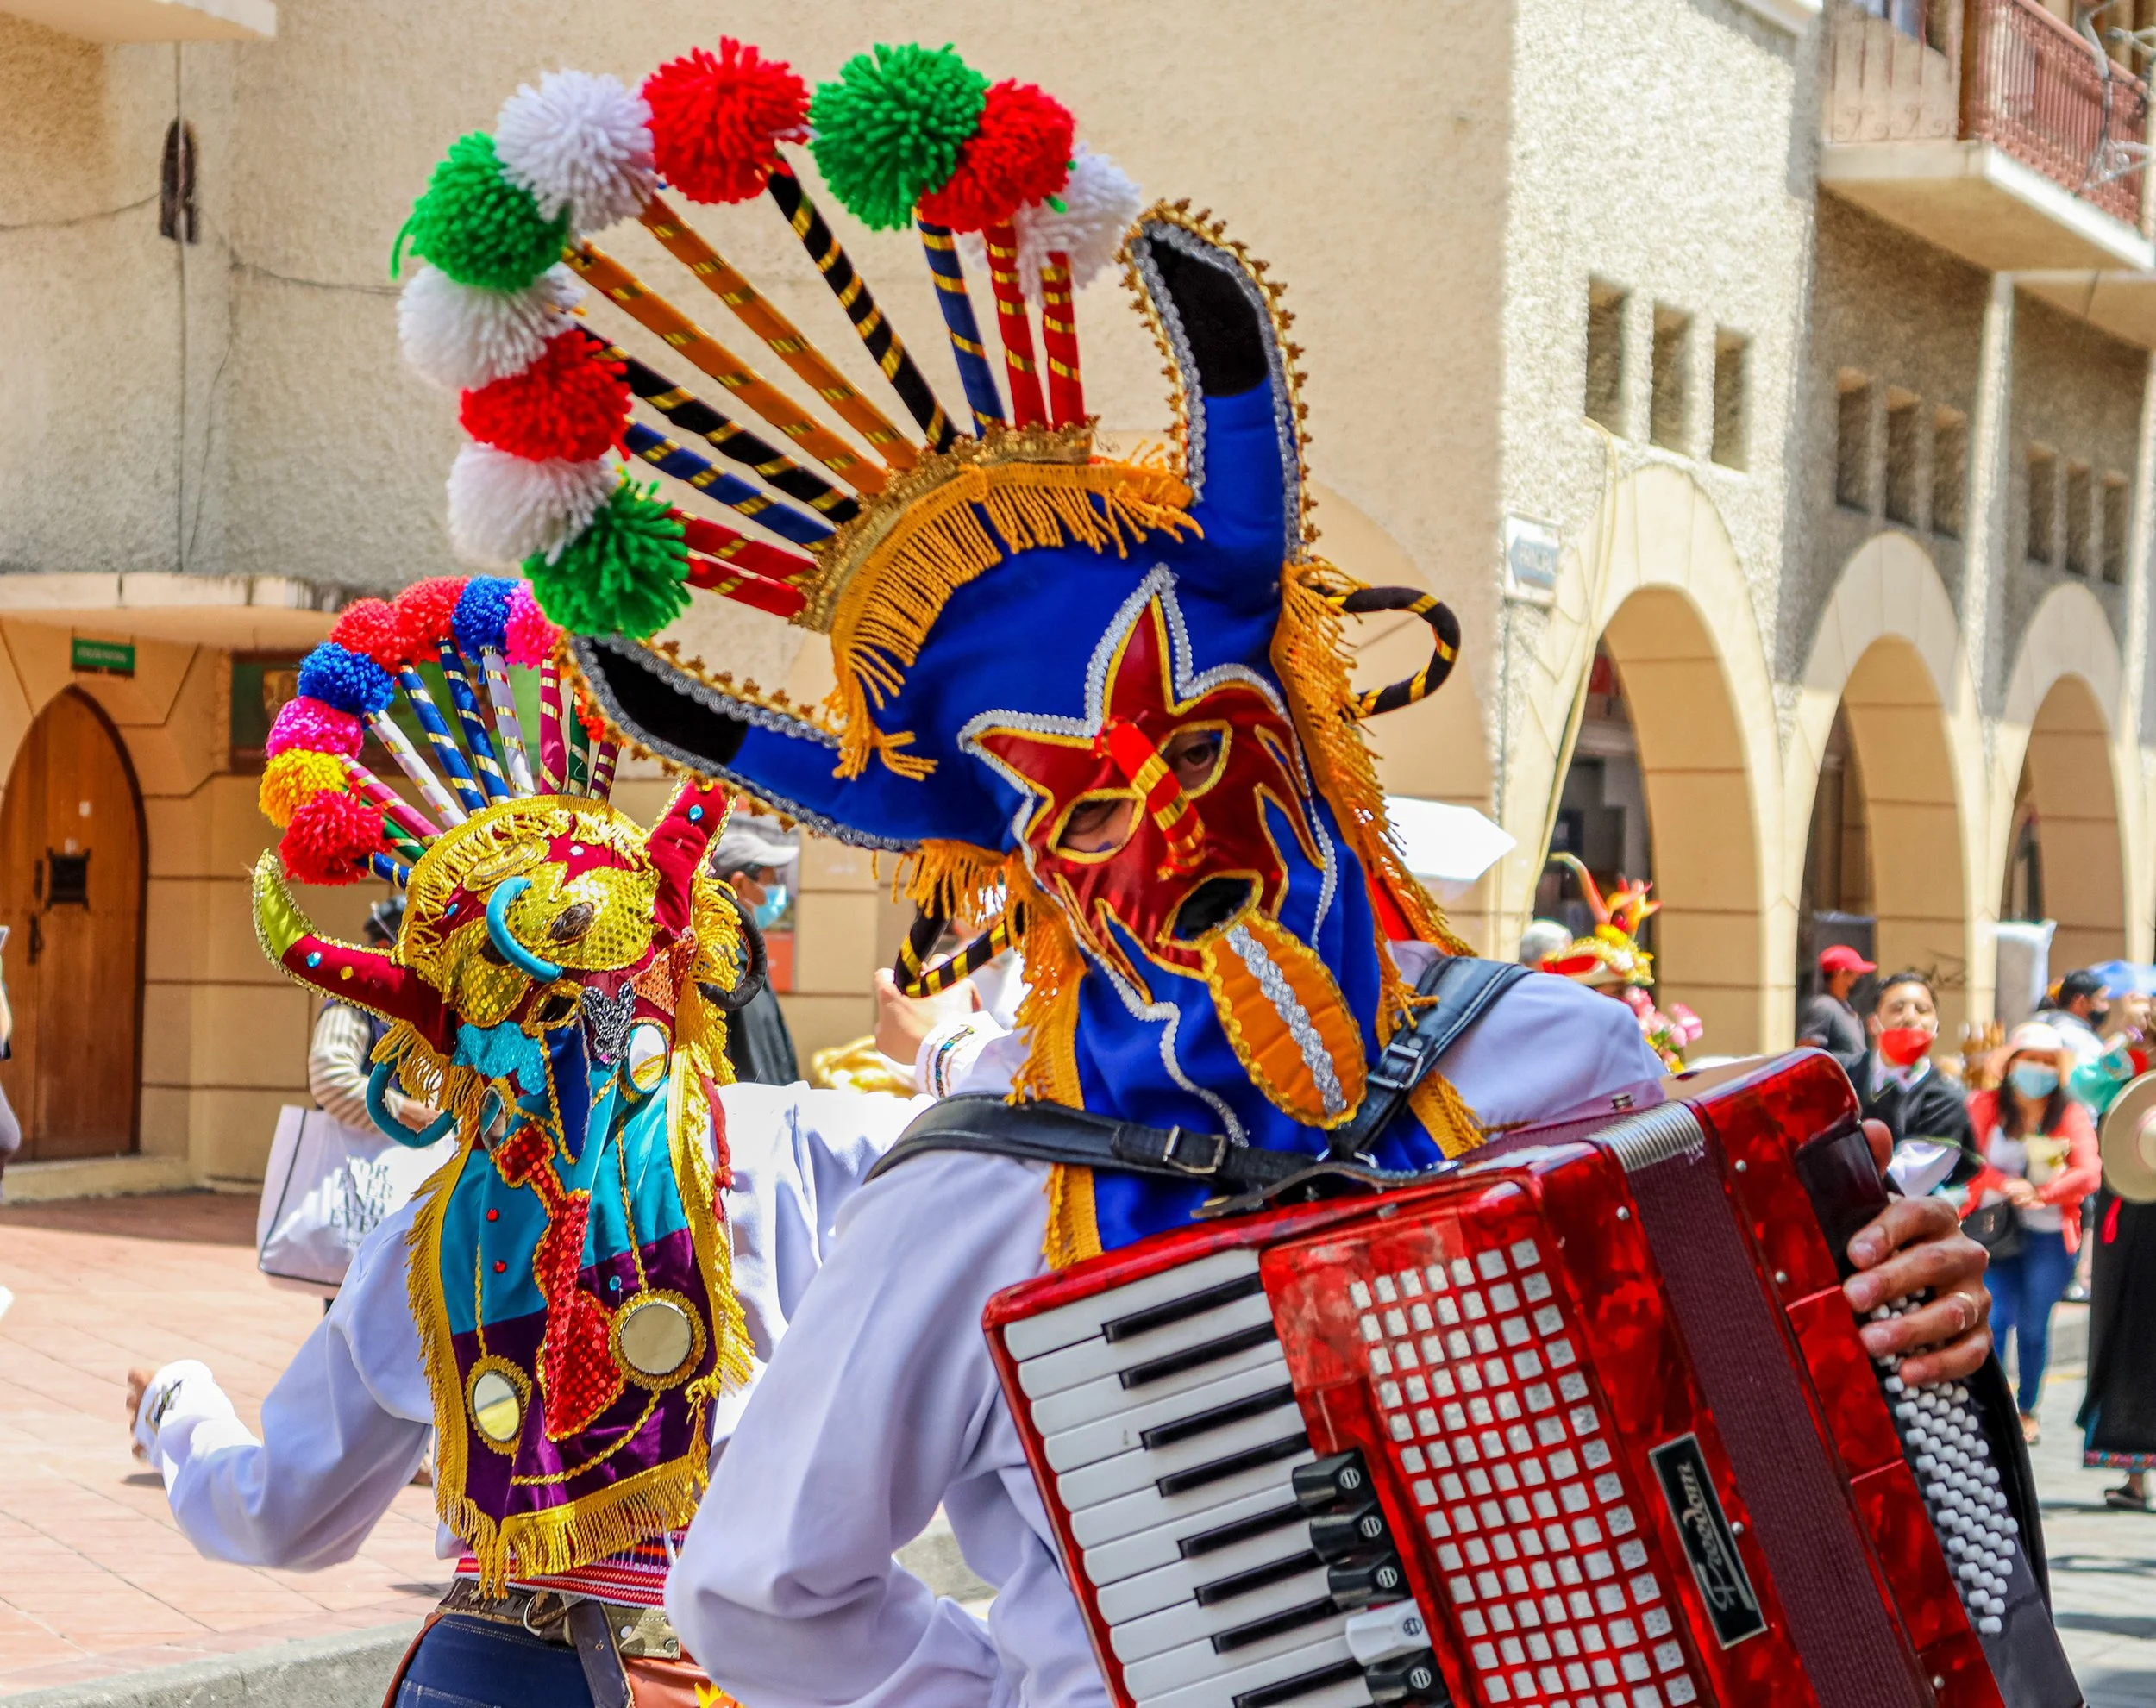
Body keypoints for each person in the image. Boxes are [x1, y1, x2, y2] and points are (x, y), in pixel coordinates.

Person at [543, 69, 1997, 1708]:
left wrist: (1907, 1328)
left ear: (1298, 727)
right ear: (1027, 870)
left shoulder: (1552, 1062)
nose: (1172, 834)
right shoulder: (970, 1204)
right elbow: (755, 1595)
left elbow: (1765, 1396)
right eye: (1087, 815)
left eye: (1203, 743)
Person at [125, 578, 924, 1708]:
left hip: (489, 1675)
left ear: (455, 1025)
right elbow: (1022, 1184)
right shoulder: (797, 1146)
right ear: (676, 955)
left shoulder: (425, 1230)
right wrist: (940, 1054)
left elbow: (280, 1516)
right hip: (713, 1669)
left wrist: (177, 1410)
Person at [1962, 1020, 2103, 1441]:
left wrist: (2044, 1192)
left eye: (2048, 1062)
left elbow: (2089, 1173)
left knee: (2034, 1324)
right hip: (1991, 1230)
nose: (2038, 1069)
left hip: (2048, 1236)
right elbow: (1965, 1158)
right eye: (2030, 1059)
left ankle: (2026, 1410)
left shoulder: (2071, 1113)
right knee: (1996, 1317)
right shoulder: (1983, 1105)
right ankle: (1992, 1406)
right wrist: (2003, 1184)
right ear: (2011, 1064)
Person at [1836, 969, 1977, 1179]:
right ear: (1874, 1023)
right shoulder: (1838, 1074)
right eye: (1897, 1009)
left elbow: (1905, 1182)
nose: (1910, 1018)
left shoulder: (1948, 1101)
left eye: (1922, 1010)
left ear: (1936, 1028)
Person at [706, 812, 802, 1087]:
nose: (776, 891)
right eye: (770, 880)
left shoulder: (745, 957)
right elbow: (757, 1070)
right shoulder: (729, 967)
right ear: (739, 884)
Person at [1796, 942, 1873, 1054]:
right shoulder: (1824, 1006)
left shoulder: (1846, 1007)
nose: (1859, 977)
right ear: (1840, 973)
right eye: (1856, 973)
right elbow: (1807, 1052)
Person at [2038, 967, 2111, 1071]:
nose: (2106, 1007)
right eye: (2102, 1000)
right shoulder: (2073, 1035)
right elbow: (2096, 1075)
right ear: (2080, 1001)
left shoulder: (2055, 1025)